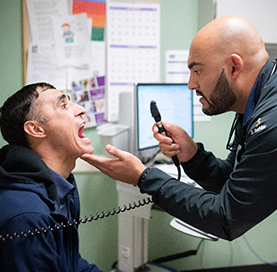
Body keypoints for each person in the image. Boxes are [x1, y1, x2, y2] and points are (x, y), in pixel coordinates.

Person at [81, 15, 277, 241]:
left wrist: (143, 177)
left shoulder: (270, 124)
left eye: (197, 71)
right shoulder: (258, 104)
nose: (191, 84)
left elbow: (226, 217)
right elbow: (230, 180)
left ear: (234, 66)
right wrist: (193, 156)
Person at [0, 83, 102, 271]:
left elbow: (68, 262)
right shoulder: (27, 216)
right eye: (63, 105)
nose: (80, 110)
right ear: (36, 129)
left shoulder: (60, 186)